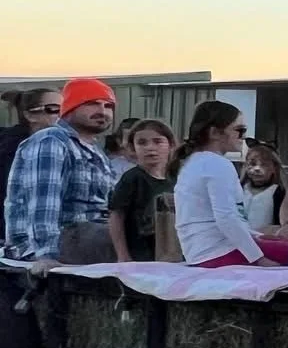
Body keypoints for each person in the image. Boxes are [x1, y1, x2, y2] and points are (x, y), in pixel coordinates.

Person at [2, 78, 121, 264]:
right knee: (127, 239)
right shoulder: (51, 140)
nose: (102, 111)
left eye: (108, 106)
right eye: (92, 104)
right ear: (70, 108)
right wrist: (46, 255)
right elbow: (43, 203)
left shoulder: (96, 151)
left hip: (92, 234)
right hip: (57, 240)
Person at [173, 101, 288, 267]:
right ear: (215, 132)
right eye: (239, 130)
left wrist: (257, 236)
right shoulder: (217, 163)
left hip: (199, 252)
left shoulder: (192, 162)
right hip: (219, 252)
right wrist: (258, 259)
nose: (243, 137)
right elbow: (226, 218)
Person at [107, 119, 176, 262]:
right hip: (140, 255)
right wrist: (122, 255)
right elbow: (116, 216)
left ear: (170, 145)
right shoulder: (132, 178)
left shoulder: (176, 179)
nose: (150, 148)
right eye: (142, 143)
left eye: (157, 141)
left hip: (171, 253)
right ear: (132, 148)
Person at [0, 86, 63, 199]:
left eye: (66, 108)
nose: (62, 115)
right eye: (53, 109)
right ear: (30, 115)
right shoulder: (13, 150)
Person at [241, 142, 287, 228]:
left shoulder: (278, 193)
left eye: (264, 164)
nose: (257, 169)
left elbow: (280, 223)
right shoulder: (239, 189)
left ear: (274, 168)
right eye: (253, 164)